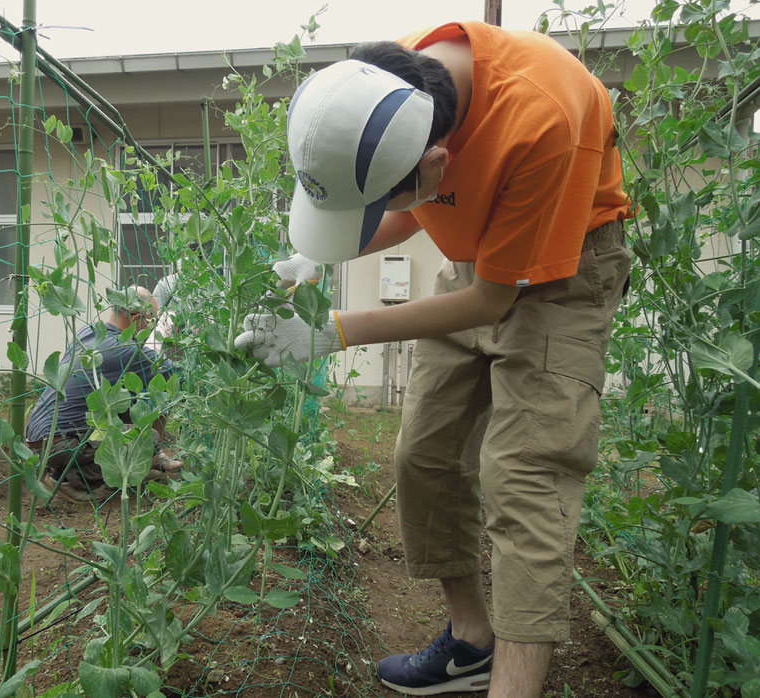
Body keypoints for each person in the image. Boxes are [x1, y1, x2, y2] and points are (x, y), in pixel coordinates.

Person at [235, 22, 633, 698]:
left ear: (438, 163)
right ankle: (473, 641)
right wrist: (321, 251)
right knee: (423, 453)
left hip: (567, 271)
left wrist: (336, 329)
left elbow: (489, 300)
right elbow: (416, 206)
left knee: (523, 478)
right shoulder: (392, 88)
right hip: (480, 256)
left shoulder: (543, 116)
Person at [26, 285, 182, 504]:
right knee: (146, 439)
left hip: (37, 435)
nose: (153, 326)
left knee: (130, 397)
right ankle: (69, 478)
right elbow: (180, 376)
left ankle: (144, 462)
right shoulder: (124, 352)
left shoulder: (89, 332)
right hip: (58, 443)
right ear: (137, 319)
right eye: (152, 320)